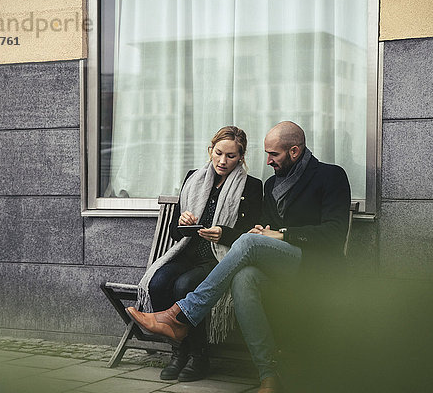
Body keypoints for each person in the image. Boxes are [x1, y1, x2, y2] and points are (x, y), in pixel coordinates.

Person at [127, 121, 351, 392]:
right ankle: (268, 374)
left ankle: (180, 315)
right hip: (279, 265)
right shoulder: (272, 184)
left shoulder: (331, 176)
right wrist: (264, 231)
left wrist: (282, 234)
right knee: (243, 278)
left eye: (274, 154)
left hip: (316, 265)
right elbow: (264, 227)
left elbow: (335, 234)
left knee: (246, 242)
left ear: (294, 151)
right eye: (267, 154)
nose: (267, 160)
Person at [134, 126, 262, 382]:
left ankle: (199, 358)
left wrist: (224, 233)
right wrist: (183, 221)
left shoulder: (252, 186)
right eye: (218, 153)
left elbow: (253, 236)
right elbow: (174, 231)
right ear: (210, 150)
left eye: (231, 156)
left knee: (184, 286)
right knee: (158, 282)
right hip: (188, 252)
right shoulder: (194, 178)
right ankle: (179, 353)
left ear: (242, 157)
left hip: (219, 258)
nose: (223, 161)